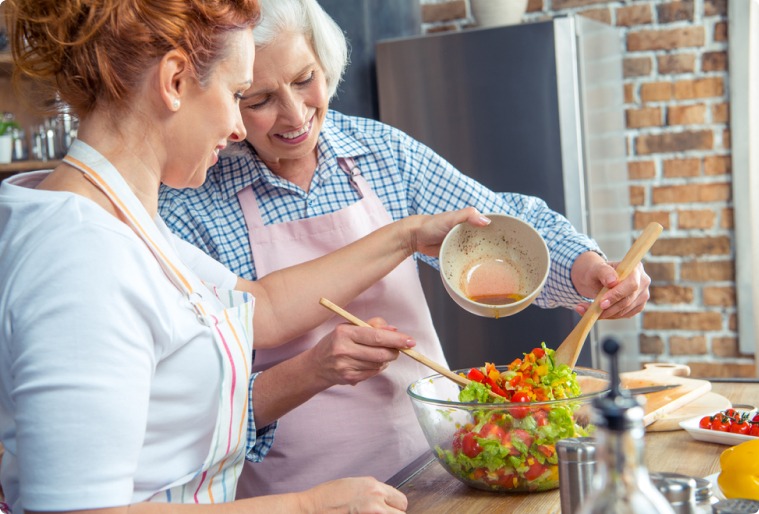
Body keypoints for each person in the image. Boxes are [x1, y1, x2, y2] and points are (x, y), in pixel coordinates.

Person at [0, 0, 492, 512]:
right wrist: (305, 507)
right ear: (174, 82)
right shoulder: (81, 258)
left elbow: (265, 306)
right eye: (239, 94)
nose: (239, 129)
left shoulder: (125, 224)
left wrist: (407, 235)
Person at [157, 0, 652, 499]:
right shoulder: (193, 204)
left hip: (436, 471)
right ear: (228, 101)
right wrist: (312, 370)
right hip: (300, 497)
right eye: (260, 99)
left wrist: (585, 266)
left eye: (305, 78)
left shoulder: (380, 154)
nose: (295, 113)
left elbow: (495, 222)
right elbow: (204, 411)